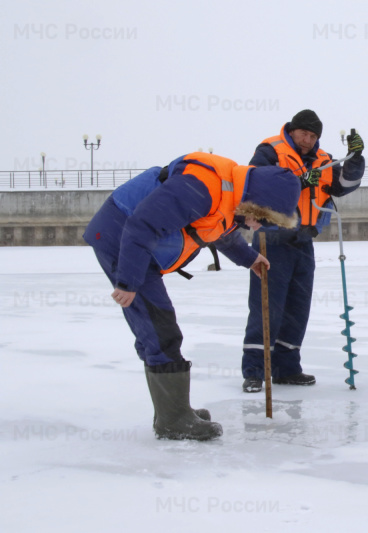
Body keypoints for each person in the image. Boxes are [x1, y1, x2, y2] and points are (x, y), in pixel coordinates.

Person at [83, 152, 300, 441]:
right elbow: (141, 225)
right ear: (257, 203)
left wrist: (249, 258)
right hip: (121, 240)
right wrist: (128, 281)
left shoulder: (230, 195)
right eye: (262, 219)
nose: (258, 226)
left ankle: (173, 410)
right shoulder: (201, 186)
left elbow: (219, 231)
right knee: (160, 328)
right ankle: (173, 420)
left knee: (155, 327)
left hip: (138, 247)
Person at [241, 109, 365, 392]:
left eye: (313, 136)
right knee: (266, 305)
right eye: (304, 134)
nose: (308, 140)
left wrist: (355, 159)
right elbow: (255, 184)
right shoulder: (270, 150)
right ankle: (254, 370)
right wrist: (297, 181)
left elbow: (344, 185)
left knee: (298, 306)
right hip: (271, 240)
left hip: (303, 241)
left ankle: (287, 367)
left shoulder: (324, 160)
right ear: (292, 130)